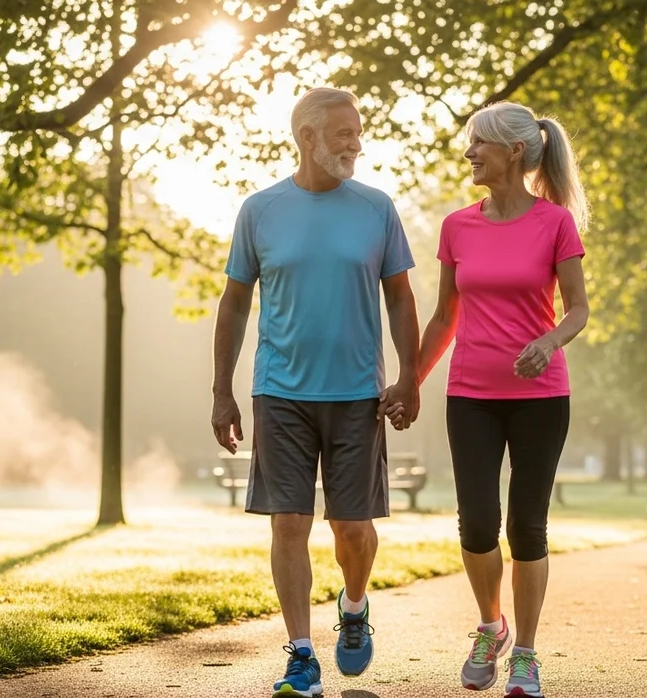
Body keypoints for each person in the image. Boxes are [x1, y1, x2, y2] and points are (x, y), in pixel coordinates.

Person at [210, 87, 420, 698]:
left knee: (353, 530)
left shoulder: (377, 209)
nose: (357, 143)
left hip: (359, 395)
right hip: (280, 394)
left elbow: (401, 297)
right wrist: (222, 392)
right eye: (344, 133)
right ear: (307, 137)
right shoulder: (260, 210)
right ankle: (301, 654)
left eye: (358, 132)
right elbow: (234, 303)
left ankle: (353, 609)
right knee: (288, 524)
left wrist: (408, 377)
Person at [404, 101, 589, 698]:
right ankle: (491, 626)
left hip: (540, 396)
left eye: (478, 143)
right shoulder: (458, 226)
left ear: (514, 150)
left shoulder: (555, 222)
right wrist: (411, 381)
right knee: (478, 522)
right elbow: (444, 317)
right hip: (472, 395)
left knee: (527, 526)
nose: (469, 153)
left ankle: (527, 657)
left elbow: (578, 309)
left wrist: (550, 339)